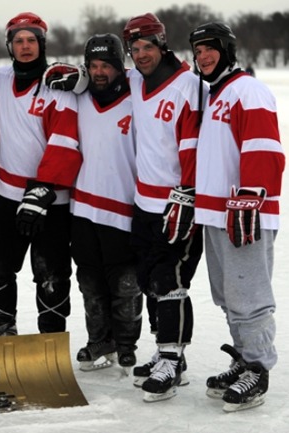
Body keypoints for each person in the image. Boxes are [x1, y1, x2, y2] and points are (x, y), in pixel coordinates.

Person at [189, 22, 284, 412]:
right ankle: (244, 359)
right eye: (197, 52)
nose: (203, 57)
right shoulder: (214, 94)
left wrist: (250, 197)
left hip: (244, 213)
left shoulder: (248, 90)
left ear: (227, 50)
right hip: (215, 214)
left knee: (249, 297)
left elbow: (265, 148)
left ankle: (258, 369)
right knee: (228, 296)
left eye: (210, 49)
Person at [0, 12, 82, 337]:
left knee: (51, 275)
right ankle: (3, 333)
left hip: (51, 200)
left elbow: (65, 141)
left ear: (42, 44)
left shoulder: (58, 85)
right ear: (10, 46)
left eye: (32, 40)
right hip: (8, 196)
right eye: (19, 41)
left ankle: (49, 342)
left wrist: (43, 189)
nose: (26, 47)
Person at [121, 13, 207, 401]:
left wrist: (188, 193)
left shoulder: (189, 85)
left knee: (168, 281)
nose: (141, 55)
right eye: (134, 49)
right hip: (144, 202)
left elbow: (192, 143)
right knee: (147, 280)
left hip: (176, 203)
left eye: (147, 47)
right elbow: (100, 79)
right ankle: (164, 351)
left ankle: (173, 359)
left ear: (162, 45)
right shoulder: (136, 82)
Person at [53, 34, 142, 373]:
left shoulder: (138, 97)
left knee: (124, 282)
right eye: (93, 65)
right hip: (83, 206)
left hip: (123, 206)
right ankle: (98, 340)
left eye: (107, 65)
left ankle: (126, 344)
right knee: (89, 280)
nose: (100, 71)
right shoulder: (79, 98)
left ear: (121, 68)